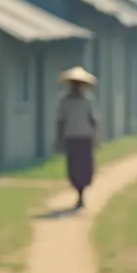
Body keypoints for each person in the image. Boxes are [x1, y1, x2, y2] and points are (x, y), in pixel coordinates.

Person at [55, 65, 99, 209]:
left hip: (85, 138)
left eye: (79, 84)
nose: (76, 87)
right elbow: (60, 122)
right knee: (73, 168)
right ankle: (78, 193)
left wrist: (96, 138)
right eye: (74, 84)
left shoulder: (88, 101)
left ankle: (81, 194)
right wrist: (59, 140)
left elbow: (93, 120)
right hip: (71, 137)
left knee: (85, 168)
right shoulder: (64, 101)